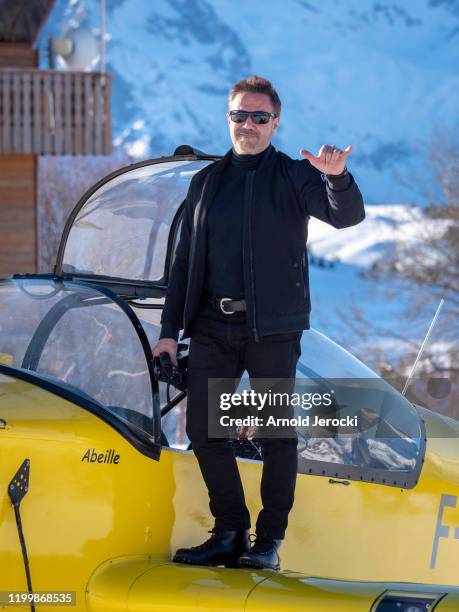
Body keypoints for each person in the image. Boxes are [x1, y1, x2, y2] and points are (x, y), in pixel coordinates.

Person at [152, 75, 365, 570]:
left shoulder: (295, 176)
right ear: (228, 118)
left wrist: (336, 177)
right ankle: (229, 531)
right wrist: (168, 332)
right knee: (206, 433)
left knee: (273, 434)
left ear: (275, 122)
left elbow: (346, 217)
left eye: (258, 116)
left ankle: (267, 542)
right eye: (239, 115)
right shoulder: (205, 182)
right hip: (210, 327)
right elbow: (184, 263)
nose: (247, 124)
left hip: (272, 328)